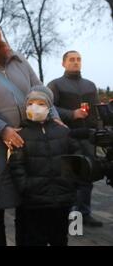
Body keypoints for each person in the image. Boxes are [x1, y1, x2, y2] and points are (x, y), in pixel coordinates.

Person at [0, 18, 62, 246]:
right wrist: (3, 130)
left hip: (28, 142)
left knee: (26, 204)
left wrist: (54, 117)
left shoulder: (18, 60)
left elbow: (41, 90)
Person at [9, 86, 78, 246]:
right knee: (35, 239)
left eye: (41, 103)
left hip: (62, 198)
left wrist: (70, 182)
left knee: (60, 238)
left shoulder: (63, 132)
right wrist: (26, 186)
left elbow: (75, 158)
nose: (35, 107)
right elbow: (16, 165)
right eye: (31, 103)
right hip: (35, 201)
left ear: (49, 107)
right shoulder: (21, 134)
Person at [47, 50, 102, 227]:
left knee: (87, 175)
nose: (76, 62)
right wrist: (72, 113)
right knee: (69, 178)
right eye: (72, 59)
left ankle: (84, 213)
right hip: (66, 136)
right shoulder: (55, 85)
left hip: (87, 137)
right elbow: (49, 107)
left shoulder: (90, 85)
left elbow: (95, 111)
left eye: (78, 59)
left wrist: (98, 132)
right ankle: (69, 217)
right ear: (63, 63)